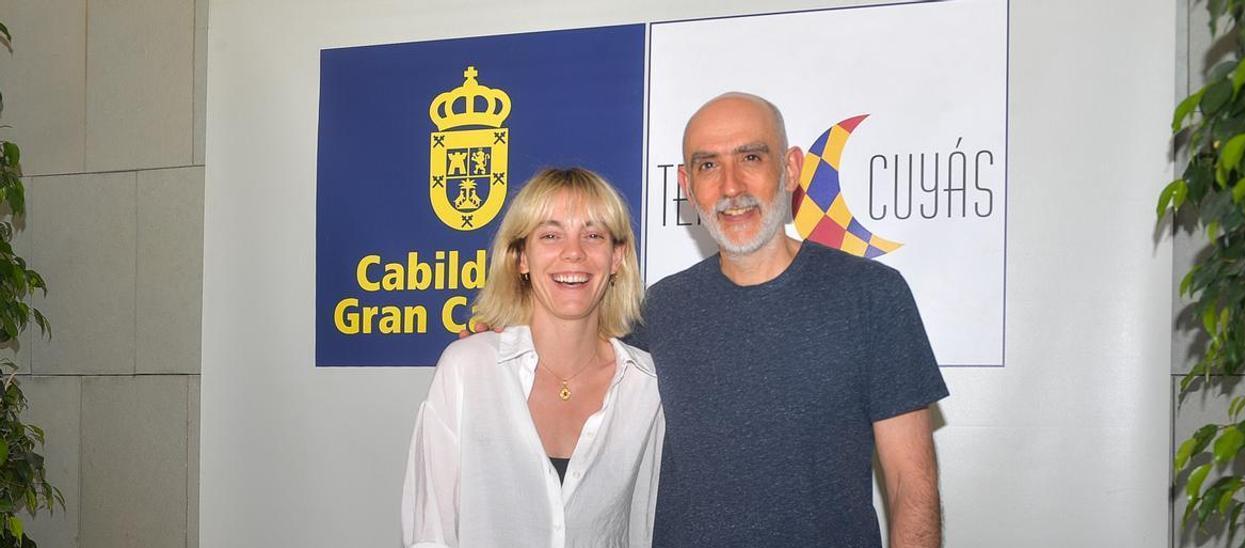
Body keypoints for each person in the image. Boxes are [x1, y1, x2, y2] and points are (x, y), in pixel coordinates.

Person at [627, 92, 949, 547]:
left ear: (791, 169)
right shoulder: (657, 310)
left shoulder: (871, 295)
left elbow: (910, 484)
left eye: (751, 157)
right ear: (686, 183)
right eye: (708, 166)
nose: (731, 187)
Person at [401, 167, 663, 548]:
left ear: (617, 257)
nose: (573, 252)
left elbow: (641, 530)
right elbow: (430, 535)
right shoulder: (468, 369)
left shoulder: (646, 386)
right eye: (551, 235)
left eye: (592, 235)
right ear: (521, 258)